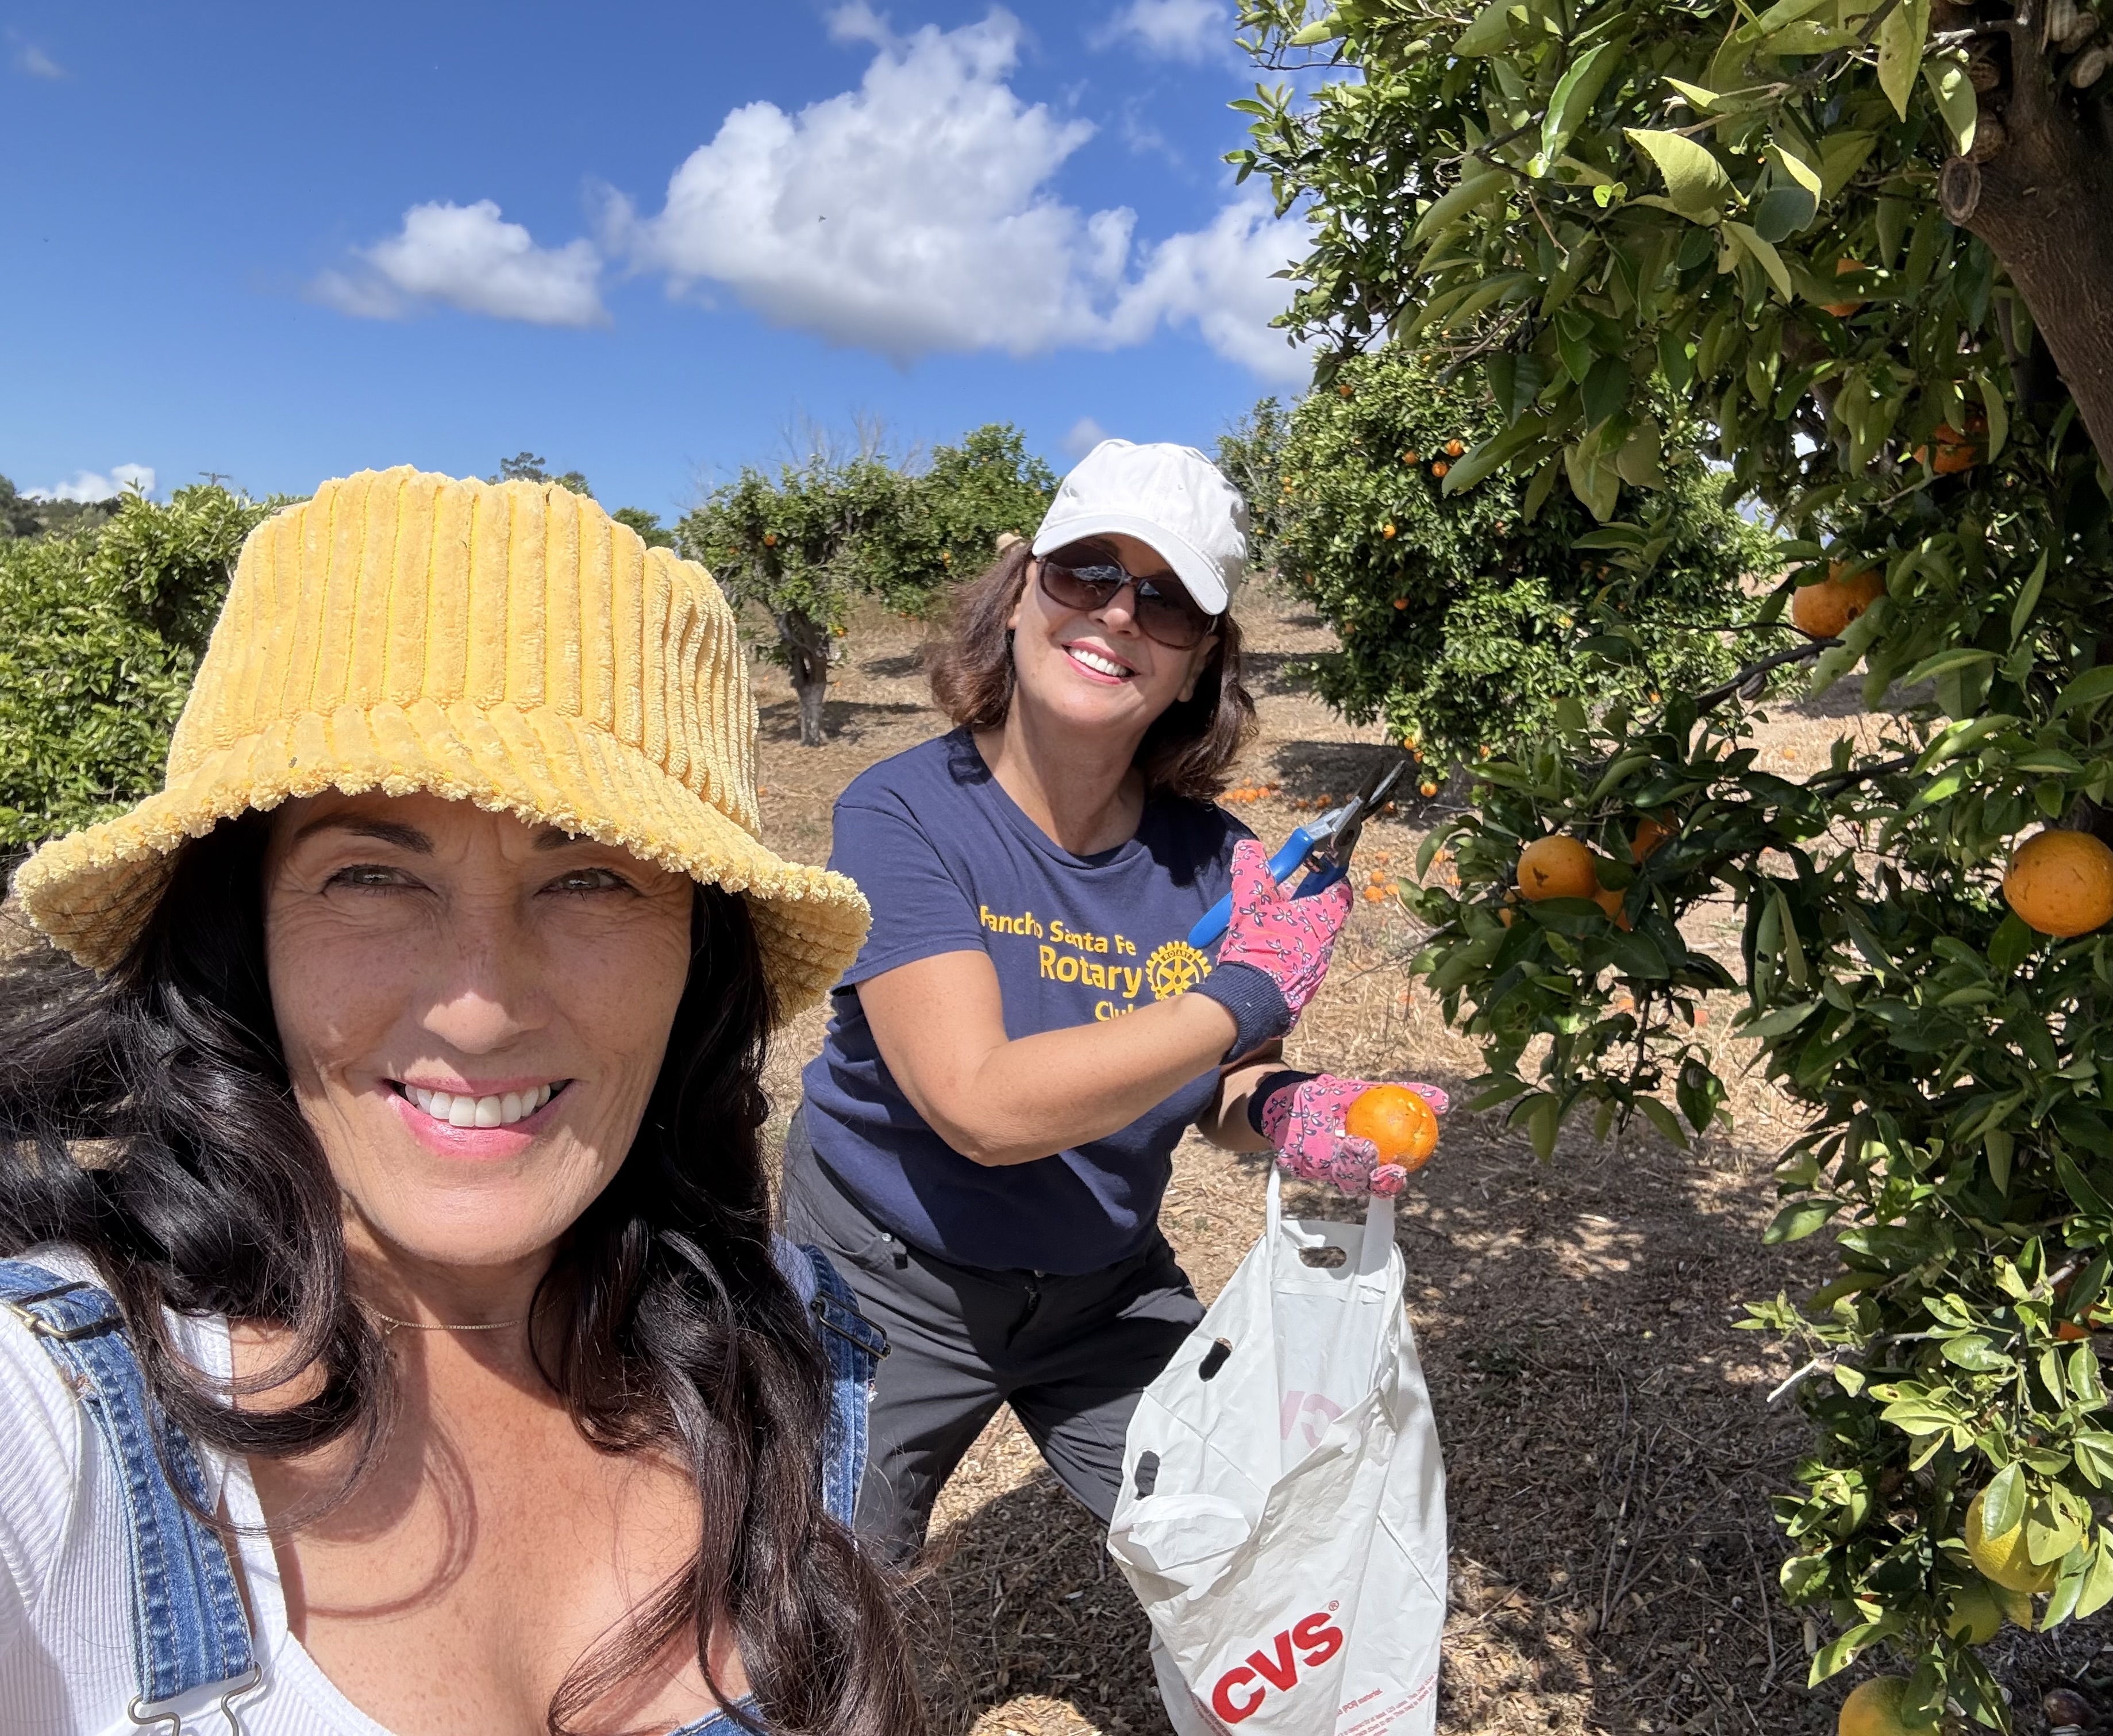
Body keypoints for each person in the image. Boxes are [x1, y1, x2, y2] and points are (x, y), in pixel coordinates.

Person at [0, 468, 917, 1736]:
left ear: (697, 954)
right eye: (371, 872)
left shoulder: (783, 1350)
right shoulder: (47, 1424)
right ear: (243, 929)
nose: (480, 1008)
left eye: (592, 878)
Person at [783, 438, 1448, 1559]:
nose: (1119, 614)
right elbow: (979, 1105)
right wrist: (1241, 989)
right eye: (1086, 572)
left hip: (1103, 1280)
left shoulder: (1219, 863)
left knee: (1250, 1557)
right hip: (879, 1284)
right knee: (812, 1616)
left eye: (1169, 599)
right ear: (1017, 596)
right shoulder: (903, 814)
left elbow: (1222, 1079)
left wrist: (1291, 1109)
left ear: (1199, 663)